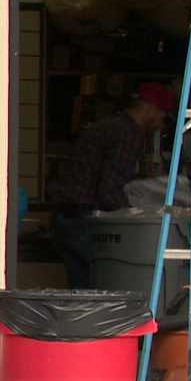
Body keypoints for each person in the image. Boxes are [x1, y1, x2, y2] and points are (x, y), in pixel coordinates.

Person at [48, 81, 173, 287]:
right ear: (151, 109)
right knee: (99, 295)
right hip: (84, 222)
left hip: (65, 218)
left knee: (81, 295)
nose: (161, 125)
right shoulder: (127, 135)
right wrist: (136, 222)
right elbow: (109, 191)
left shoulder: (106, 127)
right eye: (164, 117)